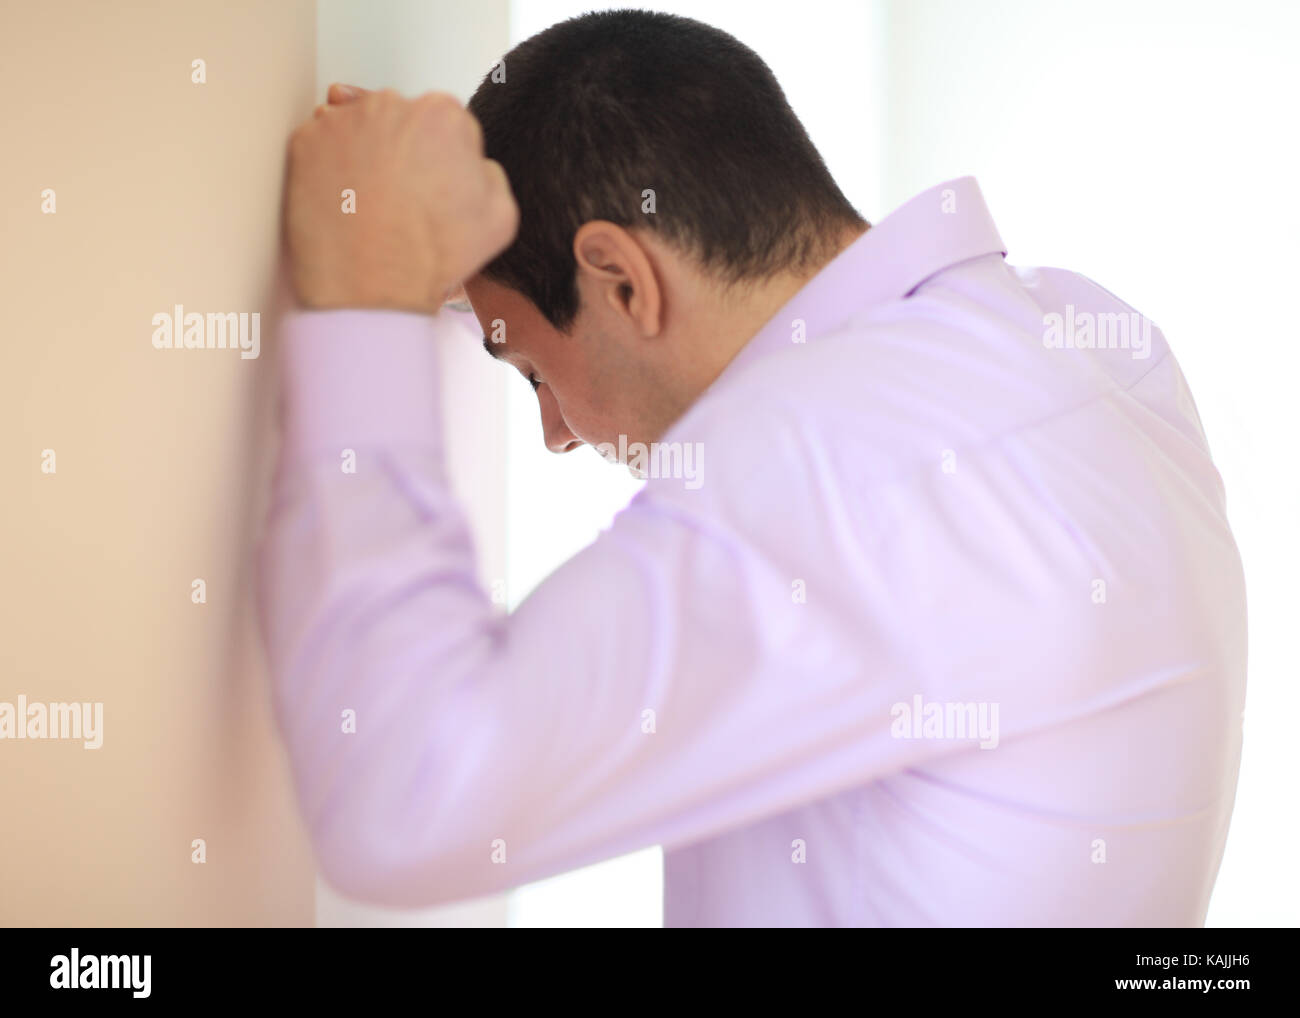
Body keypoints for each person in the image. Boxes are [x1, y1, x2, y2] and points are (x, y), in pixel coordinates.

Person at [261, 10, 1247, 926]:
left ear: (620, 279)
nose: (556, 433)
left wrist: (368, 297)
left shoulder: (830, 466)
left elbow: (404, 797)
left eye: (528, 372)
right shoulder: (1081, 346)